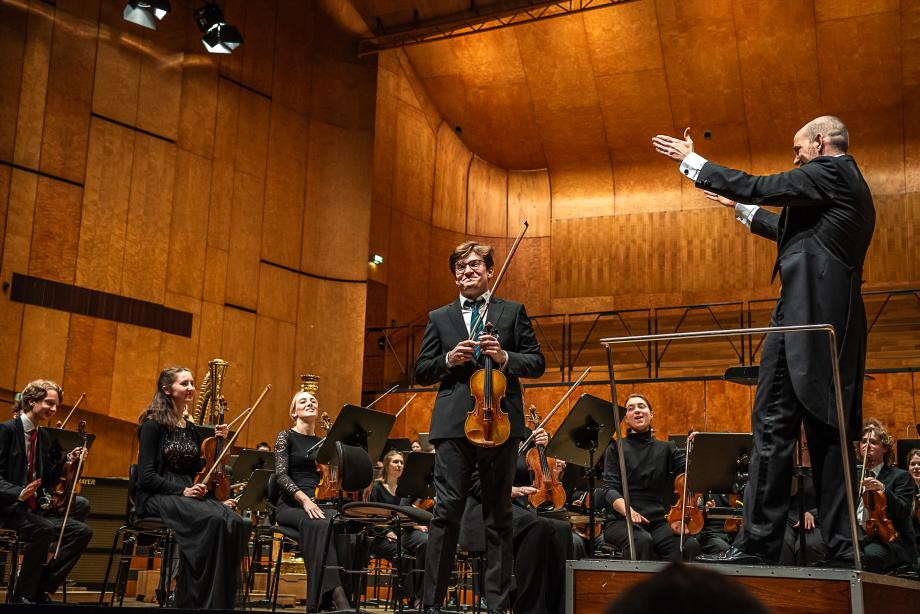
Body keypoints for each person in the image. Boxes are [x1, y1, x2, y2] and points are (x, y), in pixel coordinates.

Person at [653, 116, 875, 565]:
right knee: (829, 438)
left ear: (820, 142)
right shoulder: (847, 185)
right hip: (833, 324)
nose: (795, 159)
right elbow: (794, 234)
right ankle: (841, 549)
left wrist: (693, 162)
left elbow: (760, 185)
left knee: (773, 430)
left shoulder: (830, 170)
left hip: (801, 322)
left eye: (798, 150)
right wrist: (738, 209)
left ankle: (757, 544)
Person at [415, 240, 545, 614]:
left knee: (498, 514)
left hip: (499, 423)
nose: (467, 271)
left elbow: (536, 362)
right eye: (460, 266)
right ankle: (432, 604)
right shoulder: (439, 318)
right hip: (454, 423)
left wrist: (505, 357)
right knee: (446, 511)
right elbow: (422, 371)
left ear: (489, 271)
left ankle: (497, 604)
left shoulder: (513, 311)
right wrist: (446, 358)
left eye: (474, 265)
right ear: (455, 275)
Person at [135, 367, 249, 609]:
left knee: (237, 522)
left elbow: (201, 471)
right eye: (184, 383)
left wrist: (221, 443)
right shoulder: (152, 426)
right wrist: (182, 492)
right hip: (159, 494)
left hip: (189, 493)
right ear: (167, 389)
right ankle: (193, 598)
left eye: (192, 383)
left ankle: (216, 600)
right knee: (214, 521)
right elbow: (146, 477)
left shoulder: (191, 429)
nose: (190, 388)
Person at [459, 426, 571, 614]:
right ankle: (529, 609)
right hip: (483, 507)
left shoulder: (526, 434)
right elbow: (472, 481)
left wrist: (545, 451)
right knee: (537, 527)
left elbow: (535, 476)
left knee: (562, 529)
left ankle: (557, 608)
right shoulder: (480, 430)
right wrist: (508, 490)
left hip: (516, 508)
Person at [0, 380, 93, 604]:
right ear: (31, 402)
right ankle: (22, 595)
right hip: (7, 507)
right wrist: (18, 492)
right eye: (49, 403)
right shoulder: (6, 430)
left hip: (30, 510)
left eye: (56, 405)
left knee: (82, 532)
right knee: (44, 529)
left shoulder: (41, 436)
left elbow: (47, 480)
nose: (53, 409)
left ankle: (41, 587)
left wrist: (67, 461)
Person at [273, 390, 352, 611]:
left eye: (313, 400)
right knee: (321, 522)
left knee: (342, 525)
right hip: (290, 504)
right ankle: (337, 596)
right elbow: (280, 475)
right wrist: (305, 501)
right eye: (303, 401)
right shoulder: (285, 436)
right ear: (294, 412)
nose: (310, 403)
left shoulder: (323, 443)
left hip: (319, 502)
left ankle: (325, 599)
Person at [600, 393, 701, 562]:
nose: (637, 411)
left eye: (641, 406)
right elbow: (609, 489)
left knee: (688, 545)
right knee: (641, 541)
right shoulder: (616, 448)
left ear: (651, 414)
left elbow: (691, 473)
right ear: (626, 419)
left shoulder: (667, 448)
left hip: (659, 522)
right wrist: (628, 511)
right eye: (631, 409)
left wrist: (698, 447)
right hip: (621, 520)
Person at [367, 450, 429, 607]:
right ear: (387, 465)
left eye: (401, 462)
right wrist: (387, 532)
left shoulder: (406, 488)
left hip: (403, 532)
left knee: (421, 546)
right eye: (395, 462)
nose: (399, 465)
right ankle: (402, 598)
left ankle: (416, 597)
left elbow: (409, 513)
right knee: (403, 553)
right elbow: (372, 517)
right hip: (382, 536)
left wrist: (413, 526)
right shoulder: (377, 488)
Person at [853, 420, 916, 573]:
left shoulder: (901, 477)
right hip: (859, 537)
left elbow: (904, 511)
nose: (866, 446)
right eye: (863, 442)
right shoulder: (853, 477)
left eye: (873, 442)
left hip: (890, 540)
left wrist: (883, 488)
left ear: (885, 448)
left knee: (870, 556)